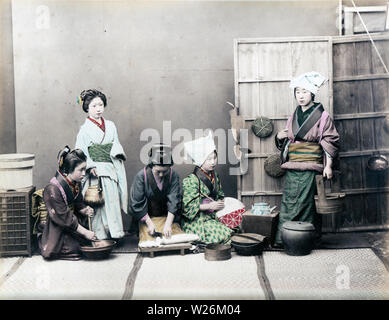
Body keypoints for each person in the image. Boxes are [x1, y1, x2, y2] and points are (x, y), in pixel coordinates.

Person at [274, 71, 340, 247]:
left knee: (308, 203)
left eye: (304, 92)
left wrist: (329, 166)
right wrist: (280, 136)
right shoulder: (293, 116)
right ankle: (284, 239)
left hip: (311, 165)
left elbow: (329, 140)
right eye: (298, 92)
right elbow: (290, 139)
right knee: (288, 201)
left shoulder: (323, 117)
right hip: (293, 165)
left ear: (312, 94)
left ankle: (307, 240)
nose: (301, 96)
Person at [75, 89, 128, 240]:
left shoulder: (111, 125)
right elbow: (80, 152)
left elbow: (115, 144)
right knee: (97, 204)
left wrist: (115, 152)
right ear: (87, 108)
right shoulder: (84, 130)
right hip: (95, 172)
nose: (98, 109)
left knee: (112, 202)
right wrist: (90, 166)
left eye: (101, 105)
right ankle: (99, 236)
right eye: (94, 106)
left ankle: (115, 234)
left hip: (110, 168)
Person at [39, 147, 96, 260]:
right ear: (69, 169)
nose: (84, 173)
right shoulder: (53, 189)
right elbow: (63, 215)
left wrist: (84, 210)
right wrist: (84, 232)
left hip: (71, 222)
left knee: (87, 243)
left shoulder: (75, 182)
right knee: (75, 248)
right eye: (81, 170)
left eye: (85, 169)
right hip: (57, 224)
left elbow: (78, 203)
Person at [181, 132, 232, 245]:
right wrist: (209, 206)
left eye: (214, 158)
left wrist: (220, 202)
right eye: (209, 159)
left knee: (235, 225)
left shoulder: (215, 175)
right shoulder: (191, 180)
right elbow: (187, 208)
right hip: (198, 220)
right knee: (225, 235)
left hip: (213, 213)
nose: (213, 162)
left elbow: (220, 195)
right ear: (200, 160)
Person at [129, 143, 183, 242]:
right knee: (150, 240)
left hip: (166, 216)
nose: (162, 175)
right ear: (151, 165)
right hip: (147, 216)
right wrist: (149, 223)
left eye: (165, 171)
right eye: (158, 171)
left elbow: (174, 201)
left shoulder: (173, 175)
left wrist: (168, 224)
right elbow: (136, 204)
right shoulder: (141, 176)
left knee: (175, 238)